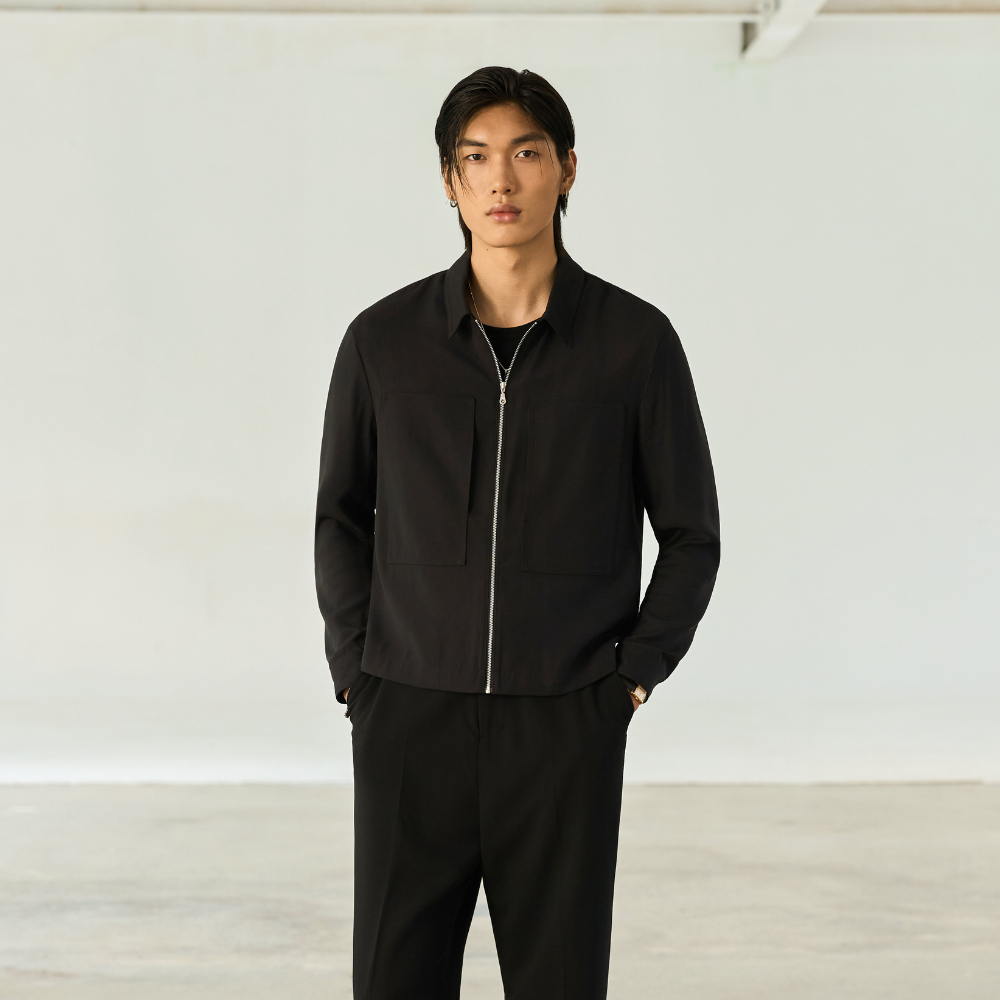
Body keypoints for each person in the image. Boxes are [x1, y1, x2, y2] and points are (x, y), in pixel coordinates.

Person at [315, 65, 720, 1000]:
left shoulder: (634, 344)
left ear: (567, 169)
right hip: (408, 716)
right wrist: (357, 672)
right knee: (394, 980)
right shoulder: (382, 342)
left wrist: (629, 680)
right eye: (477, 158)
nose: (502, 180)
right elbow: (340, 516)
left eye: (527, 154)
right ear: (449, 181)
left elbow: (691, 533)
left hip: (566, 721)